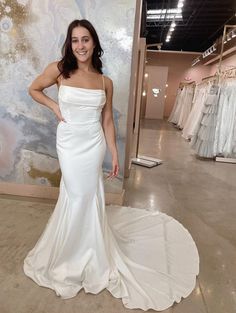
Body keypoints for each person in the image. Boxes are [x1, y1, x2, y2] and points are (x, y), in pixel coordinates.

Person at [23, 19, 199, 311]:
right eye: (75, 40)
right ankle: (71, 254)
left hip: (93, 144)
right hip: (68, 143)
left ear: (94, 43)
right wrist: (55, 106)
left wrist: (114, 154)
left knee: (88, 195)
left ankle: (89, 251)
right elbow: (33, 89)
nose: (80, 46)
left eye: (86, 40)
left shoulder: (105, 82)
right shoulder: (59, 69)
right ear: (70, 44)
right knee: (76, 194)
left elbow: (106, 120)